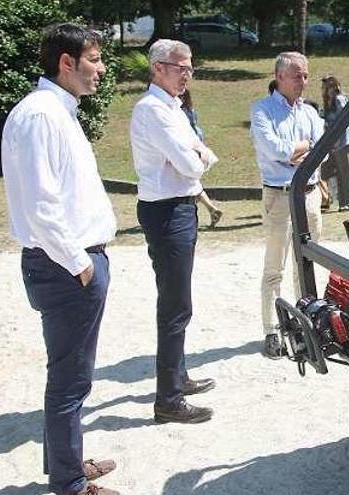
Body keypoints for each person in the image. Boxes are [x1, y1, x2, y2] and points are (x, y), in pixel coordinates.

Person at [1, 23, 119, 495]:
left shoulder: (57, 111)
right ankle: (69, 483)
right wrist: (79, 262)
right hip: (65, 266)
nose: (102, 69)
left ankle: (65, 463)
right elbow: (41, 204)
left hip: (72, 263)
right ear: (66, 63)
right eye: (93, 59)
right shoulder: (40, 116)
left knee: (71, 376)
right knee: (70, 380)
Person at [130, 39, 217, 424]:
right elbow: (191, 163)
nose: (187, 74)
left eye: (190, 67)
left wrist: (194, 158)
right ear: (157, 68)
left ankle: (177, 378)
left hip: (180, 208)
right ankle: (167, 399)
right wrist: (194, 159)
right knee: (175, 305)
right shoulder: (152, 110)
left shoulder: (172, 108)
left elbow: (201, 153)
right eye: (180, 67)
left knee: (179, 301)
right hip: (166, 212)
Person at [250, 51, 325, 359]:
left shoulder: (309, 112)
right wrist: (304, 148)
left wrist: (297, 153)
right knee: (274, 267)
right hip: (280, 196)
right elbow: (274, 149)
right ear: (279, 76)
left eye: (306, 75)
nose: (303, 82)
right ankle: (271, 330)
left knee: (305, 264)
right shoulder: (262, 110)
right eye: (297, 75)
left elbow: (326, 147)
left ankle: (304, 324)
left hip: (309, 195)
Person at [180, 88, 224, 227]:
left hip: (189, 150)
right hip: (197, 148)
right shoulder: (190, 109)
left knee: (190, 183)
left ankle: (211, 209)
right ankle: (211, 209)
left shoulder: (178, 112)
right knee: (192, 183)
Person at [321, 75, 349, 211]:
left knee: (345, 172)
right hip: (332, 143)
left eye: (330, 86)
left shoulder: (339, 100)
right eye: (325, 86)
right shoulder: (328, 102)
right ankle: (330, 199)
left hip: (343, 141)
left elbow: (345, 117)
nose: (327, 89)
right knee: (326, 170)